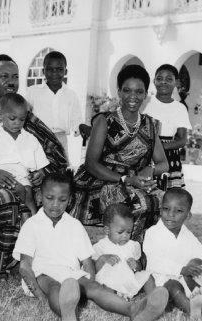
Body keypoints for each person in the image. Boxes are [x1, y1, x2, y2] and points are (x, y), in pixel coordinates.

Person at [0, 54, 67, 277]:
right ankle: (3, 262)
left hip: (22, 176)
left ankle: (43, 258)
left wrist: (41, 173)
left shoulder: (24, 115)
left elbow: (53, 153)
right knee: (5, 197)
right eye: (4, 76)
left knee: (54, 195)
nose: (11, 81)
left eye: (15, 76)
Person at [13, 172, 168, 321]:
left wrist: (89, 286)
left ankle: (132, 310)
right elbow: (25, 266)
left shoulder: (74, 225)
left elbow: (87, 262)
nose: (55, 204)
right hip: (42, 274)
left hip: (71, 275)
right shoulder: (32, 225)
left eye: (62, 200)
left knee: (94, 288)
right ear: (40, 195)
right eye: (49, 198)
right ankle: (67, 312)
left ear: (70, 198)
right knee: (54, 287)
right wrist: (40, 296)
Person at [69, 65, 169, 242]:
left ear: (145, 94)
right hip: (103, 180)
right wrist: (125, 180)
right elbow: (91, 163)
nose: (133, 97)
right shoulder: (104, 121)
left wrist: (149, 171)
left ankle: (144, 254)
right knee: (139, 203)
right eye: (127, 90)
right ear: (119, 92)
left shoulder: (149, 125)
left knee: (166, 203)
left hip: (136, 181)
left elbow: (163, 163)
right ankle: (124, 254)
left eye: (139, 92)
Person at [143, 188, 202, 319]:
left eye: (179, 211)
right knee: (172, 285)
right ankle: (192, 310)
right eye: (166, 209)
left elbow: (201, 253)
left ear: (188, 216)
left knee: (199, 263)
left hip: (187, 279)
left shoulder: (187, 234)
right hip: (163, 283)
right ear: (160, 210)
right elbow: (154, 262)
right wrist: (181, 269)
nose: (171, 214)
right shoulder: (152, 233)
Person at [0, 93, 49, 215]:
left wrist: (40, 174)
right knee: (20, 190)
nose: (17, 123)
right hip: (1, 175)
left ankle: (33, 224)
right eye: (12, 118)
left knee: (28, 193)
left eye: (22, 119)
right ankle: (24, 219)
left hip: (22, 176)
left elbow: (41, 166)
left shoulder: (30, 138)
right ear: (0, 115)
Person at [26, 51, 82, 164]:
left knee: (60, 171)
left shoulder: (71, 95)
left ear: (65, 71)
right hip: (38, 138)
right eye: (50, 69)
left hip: (60, 139)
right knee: (37, 168)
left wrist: (83, 128)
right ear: (43, 71)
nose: (54, 73)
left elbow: (76, 121)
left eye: (59, 69)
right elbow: (25, 114)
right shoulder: (33, 92)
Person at [143, 64, 192, 189]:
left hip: (169, 158)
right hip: (144, 154)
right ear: (154, 81)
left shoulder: (180, 108)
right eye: (159, 78)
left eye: (169, 79)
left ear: (176, 82)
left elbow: (182, 139)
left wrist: (158, 147)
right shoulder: (145, 102)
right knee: (144, 196)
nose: (163, 82)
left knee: (169, 198)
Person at [92, 203, 153, 300]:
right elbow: (93, 271)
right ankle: (117, 299)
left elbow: (139, 266)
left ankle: (153, 297)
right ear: (107, 230)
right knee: (105, 288)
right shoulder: (100, 246)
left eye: (129, 232)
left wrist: (136, 265)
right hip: (109, 281)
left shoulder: (133, 245)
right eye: (120, 232)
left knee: (147, 276)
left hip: (128, 280)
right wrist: (102, 259)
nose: (125, 236)